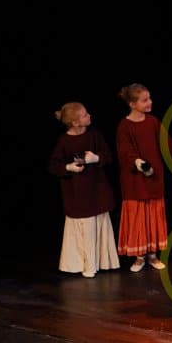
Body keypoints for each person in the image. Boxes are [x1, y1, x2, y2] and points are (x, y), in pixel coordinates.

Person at [115, 83, 172, 272]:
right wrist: (138, 162)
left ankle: (152, 255)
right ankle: (139, 257)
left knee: (153, 217)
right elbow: (125, 152)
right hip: (134, 183)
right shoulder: (124, 126)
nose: (150, 102)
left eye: (149, 98)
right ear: (132, 104)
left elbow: (169, 146)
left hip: (153, 180)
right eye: (144, 100)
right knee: (138, 218)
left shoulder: (153, 122)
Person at [48, 102, 120, 278]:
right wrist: (68, 167)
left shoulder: (94, 135)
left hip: (97, 190)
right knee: (84, 227)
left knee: (99, 223)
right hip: (78, 194)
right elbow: (54, 166)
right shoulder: (64, 141)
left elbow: (108, 156)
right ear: (75, 122)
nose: (89, 116)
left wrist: (96, 158)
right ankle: (86, 264)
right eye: (85, 115)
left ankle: (102, 262)